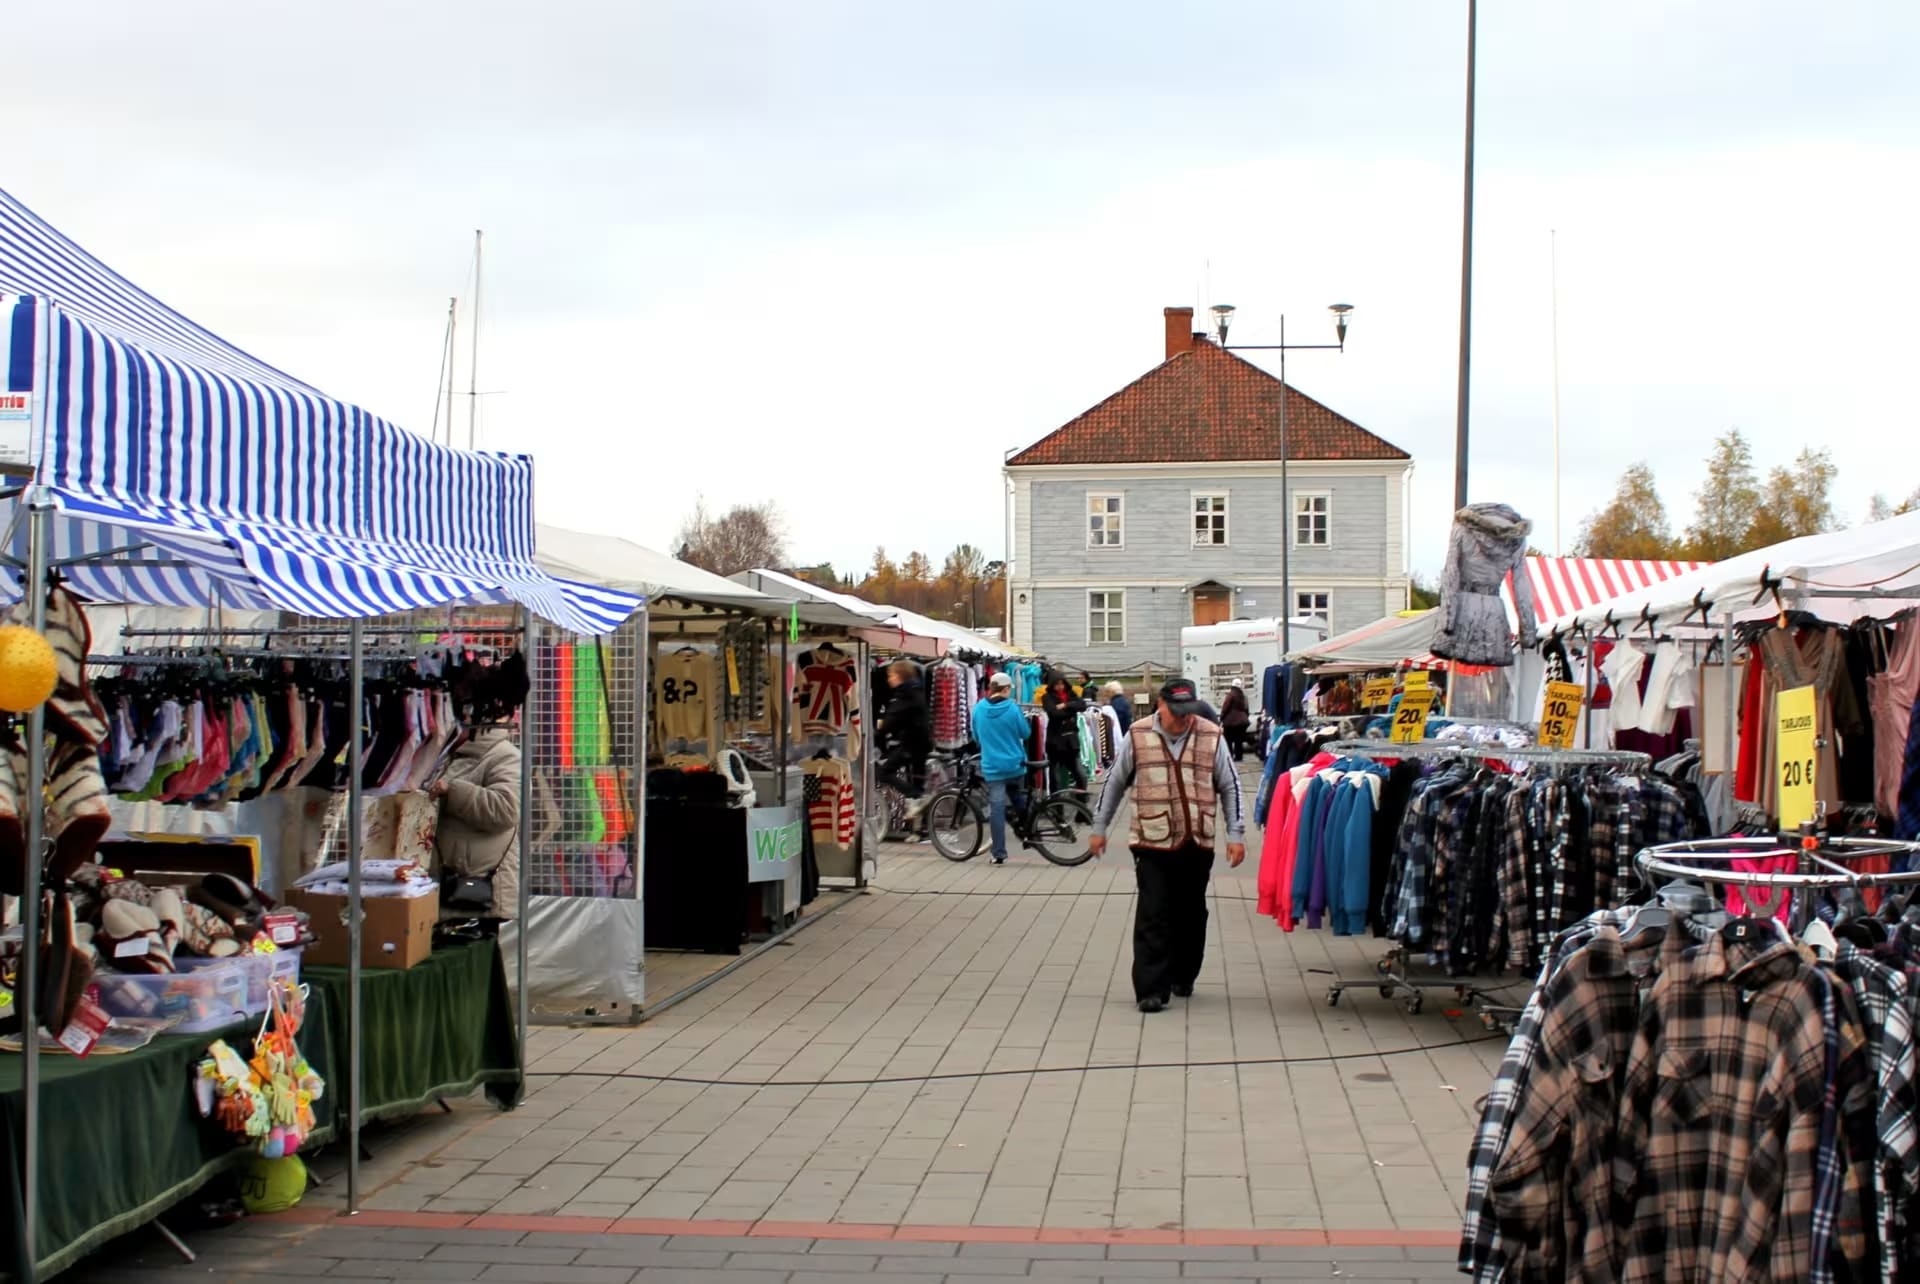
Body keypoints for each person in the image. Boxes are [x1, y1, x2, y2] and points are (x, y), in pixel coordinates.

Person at [1088, 678, 1245, 1013]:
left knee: (1191, 913)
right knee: (1153, 912)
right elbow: (1114, 782)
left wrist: (1235, 834)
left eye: (1187, 711)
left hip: (1196, 840)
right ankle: (1151, 989)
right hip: (1150, 839)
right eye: (1176, 712)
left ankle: (1183, 974)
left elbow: (1230, 786)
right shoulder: (1139, 734)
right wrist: (1099, 827)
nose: (1183, 718)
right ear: (1160, 705)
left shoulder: (1211, 734)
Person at [429, 725, 522, 920]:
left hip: (478, 891)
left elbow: (507, 809)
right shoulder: (444, 755)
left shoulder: (505, 755)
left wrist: (453, 792)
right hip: (447, 885)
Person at [972, 671, 1031, 863]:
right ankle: (1028, 832)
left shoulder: (979, 709)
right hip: (1014, 764)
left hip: (992, 767)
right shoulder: (1013, 709)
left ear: (991, 688)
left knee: (996, 809)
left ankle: (998, 854)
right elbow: (1025, 733)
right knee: (1017, 798)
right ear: (1005, 689)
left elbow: (976, 737)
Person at [878, 658, 933, 819]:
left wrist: (876, 738)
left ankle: (916, 797)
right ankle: (918, 819)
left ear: (900, 676)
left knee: (884, 772)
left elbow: (891, 721)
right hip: (922, 742)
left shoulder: (905, 694)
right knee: (917, 780)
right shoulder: (916, 689)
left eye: (892, 675)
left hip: (912, 744)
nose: (889, 679)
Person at [1040, 672, 1088, 794]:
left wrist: (1066, 705)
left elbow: (1082, 705)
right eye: (1057, 684)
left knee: (1080, 775)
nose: (1060, 687)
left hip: (1071, 742)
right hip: (1055, 742)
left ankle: (1081, 804)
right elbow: (1054, 714)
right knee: (1055, 777)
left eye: (1062, 684)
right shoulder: (1047, 697)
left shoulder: (1071, 694)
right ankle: (1056, 806)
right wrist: (1072, 711)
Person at [1219, 681, 1251, 760]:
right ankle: (1239, 756)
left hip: (1230, 721)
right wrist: (1245, 717)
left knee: (1228, 740)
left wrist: (1222, 717)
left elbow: (1225, 707)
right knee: (1239, 740)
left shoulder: (1230, 695)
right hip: (1242, 721)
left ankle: (1229, 756)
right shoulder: (1244, 696)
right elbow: (1246, 709)